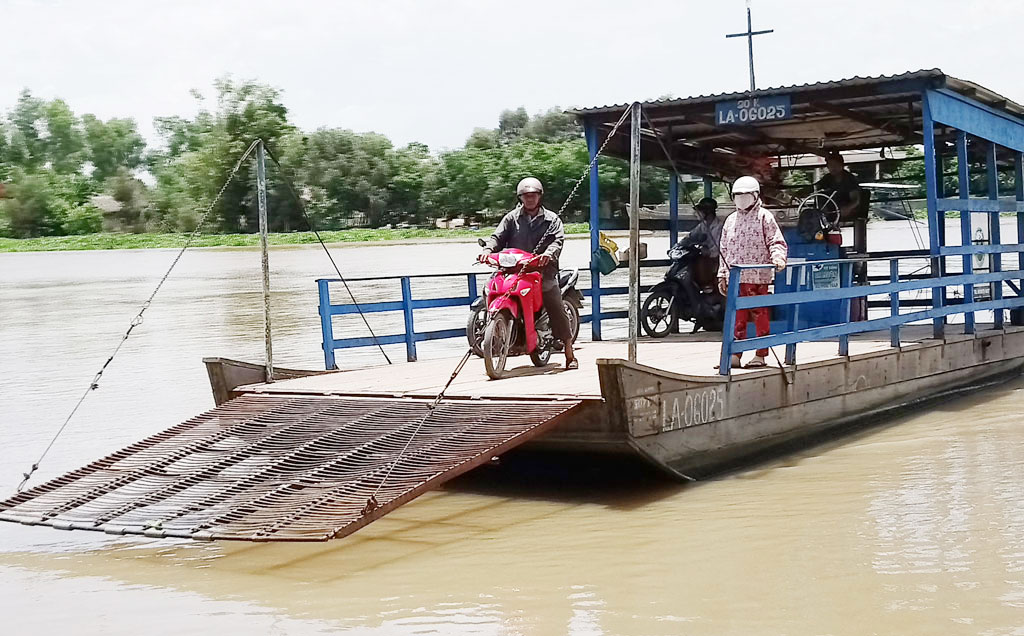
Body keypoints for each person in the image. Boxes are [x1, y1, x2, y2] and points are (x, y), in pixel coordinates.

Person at [478, 177, 577, 370]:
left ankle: (568, 351)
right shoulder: (511, 218)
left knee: (554, 302)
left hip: (542, 271)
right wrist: (488, 251)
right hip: (513, 269)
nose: (530, 199)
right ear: (520, 197)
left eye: (533, 195)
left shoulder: (552, 219)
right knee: (489, 289)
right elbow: (497, 237)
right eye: (526, 196)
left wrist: (548, 255)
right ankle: (491, 330)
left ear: (539, 196)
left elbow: (558, 241)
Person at [717, 176, 788, 369]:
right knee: (736, 317)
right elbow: (724, 249)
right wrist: (722, 274)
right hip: (736, 277)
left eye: (745, 194)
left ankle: (761, 354)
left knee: (760, 314)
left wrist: (778, 258)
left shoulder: (765, 217)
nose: (741, 198)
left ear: (755, 195)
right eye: (738, 195)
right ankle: (735, 354)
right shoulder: (731, 220)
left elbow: (776, 241)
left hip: (757, 276)